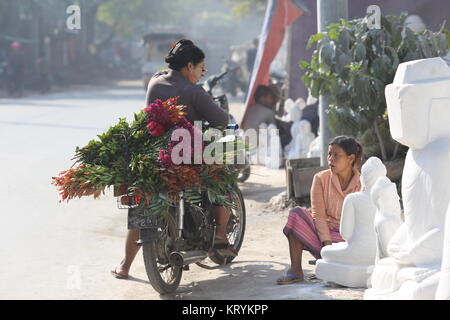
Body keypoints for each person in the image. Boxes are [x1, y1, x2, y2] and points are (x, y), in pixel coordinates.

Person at [111, 39, 234, 279]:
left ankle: (125, 265)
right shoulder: (193, 91)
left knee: (143, 203)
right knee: (223, 182)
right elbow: (221, 118)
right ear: (189, 66)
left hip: (152, 155)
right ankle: (219, 235)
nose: (203, 72)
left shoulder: (155, 81)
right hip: (185, 156)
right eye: (201, 67)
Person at [277, 136, 363, 284]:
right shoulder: (320, 179)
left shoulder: (362, 183)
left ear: (351, 158)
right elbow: (319, 215)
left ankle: (336, 262)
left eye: (336, 155)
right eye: (329, 154)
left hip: (348, 241)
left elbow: (362, 221)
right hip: (324, 238)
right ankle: (296, 270)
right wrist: (327, 245)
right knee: (296, 213)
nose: (330, 159)